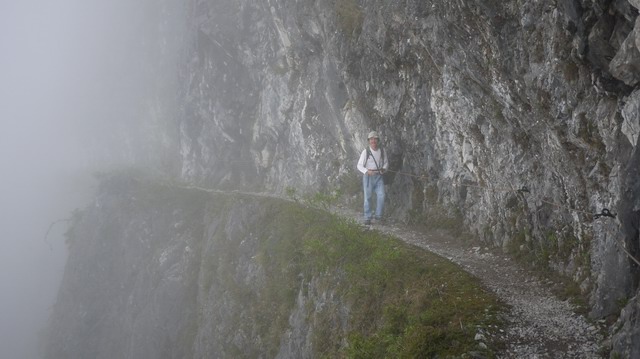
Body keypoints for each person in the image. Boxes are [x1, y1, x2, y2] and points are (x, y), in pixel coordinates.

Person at [357, 131, 388, 225]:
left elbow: (386, 162)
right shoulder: (365, 152)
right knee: (368, 198)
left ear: (378, 140)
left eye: (375, 139)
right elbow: (359, 165)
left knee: (382, 196)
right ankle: (367, 217)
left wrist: (384, 169)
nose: (373, 141)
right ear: (369, 141)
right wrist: (366, 171)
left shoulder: (382, 151)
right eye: (371, 139)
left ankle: (378, 216)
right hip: (368, 178)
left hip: (379, 176)